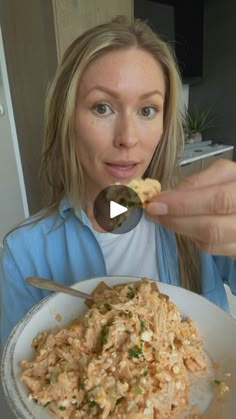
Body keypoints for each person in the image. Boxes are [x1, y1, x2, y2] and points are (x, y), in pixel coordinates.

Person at [1, 16, 236, 347]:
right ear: (67, 119)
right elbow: (18, 381)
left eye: (147, 110)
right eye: (102, 107)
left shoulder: (199, 221)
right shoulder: (23, 253)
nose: (127, 139)